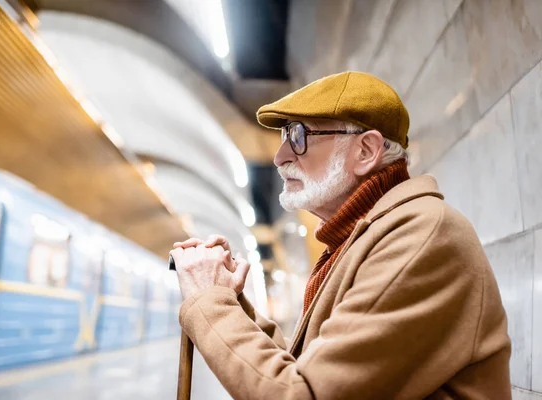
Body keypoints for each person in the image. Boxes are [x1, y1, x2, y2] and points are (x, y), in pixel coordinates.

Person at [170, 71, 511, 399]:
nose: (279, 157)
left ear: (365, 151)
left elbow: (303, 394)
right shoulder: (359, 239)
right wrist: (227, 299)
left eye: (299, 136)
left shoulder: (422, 236)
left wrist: (210, 304)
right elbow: (301, 370)